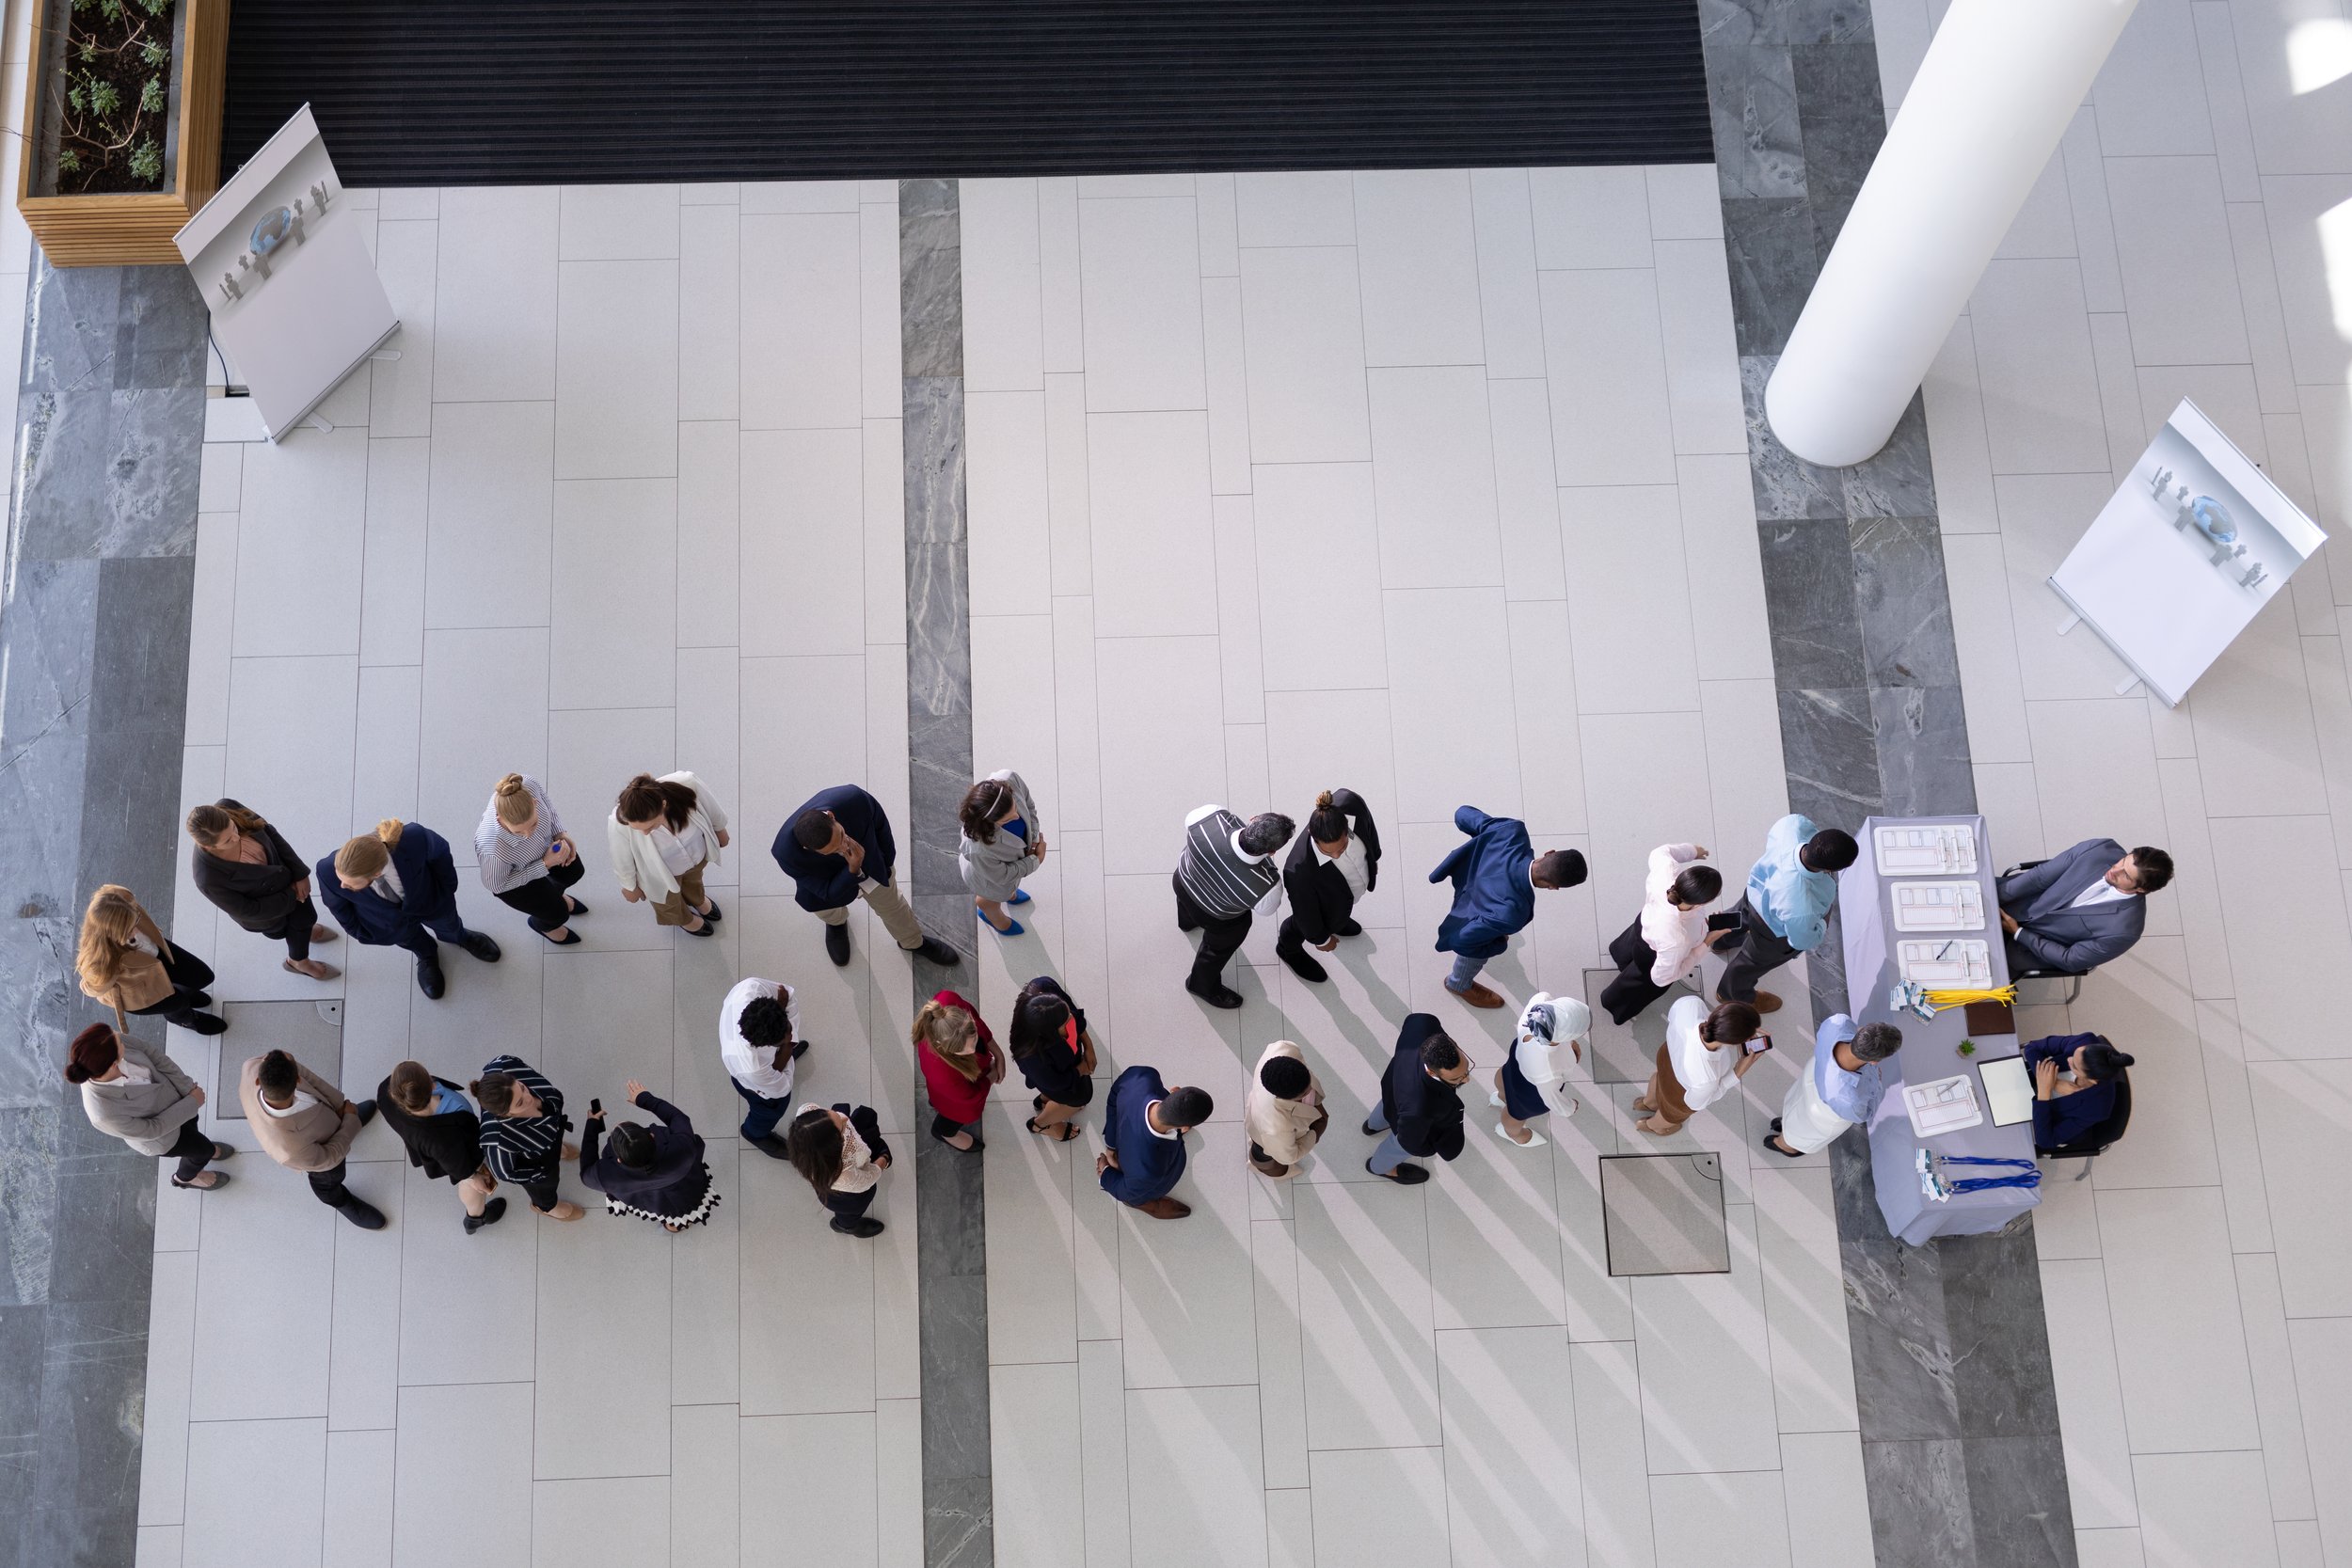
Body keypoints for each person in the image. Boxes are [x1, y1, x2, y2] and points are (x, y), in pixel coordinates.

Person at [774, 784, 961, 967]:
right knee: (827, 910)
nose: (843, 847)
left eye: (841, 836)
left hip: (872, 867)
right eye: (832, 850)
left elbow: (880, 825)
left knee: (894, 908)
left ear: (832, 816)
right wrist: (852, 869)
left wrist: (886, 861)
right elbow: (826, 892)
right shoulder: (785, 853)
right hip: (829, 888)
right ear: (809, 849)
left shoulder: (853, 799)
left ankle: (913, 943)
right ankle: (836, 924)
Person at [318, 820, 501, 1000]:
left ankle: (459, 937)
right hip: (390, 924)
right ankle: (426, 955)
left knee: (448, 924)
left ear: (376, 874)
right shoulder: (327, 870)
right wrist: (358, 931)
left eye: (350, 884)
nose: (342, 885)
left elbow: (440, 853)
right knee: (409, 940)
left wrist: (446, 890)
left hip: (429, 902)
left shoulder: (414, 837)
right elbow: (337, 905)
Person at [1429, 807, 1586, 1008]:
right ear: (1553, 887)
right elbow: (1464, 941)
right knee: (1476, 951)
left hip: (1464, 882)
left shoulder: (1512, 831)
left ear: (1550, 852)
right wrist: (1500, 944)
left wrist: (1482, 843)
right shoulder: (1513, 913)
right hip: (1468, 915)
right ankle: (1458, 983)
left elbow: (1462, 814)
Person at [1715, 816, 1856, 1015]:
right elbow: (1803, 940)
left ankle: (1719, 941)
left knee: (1736, 918)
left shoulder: (1792, 826)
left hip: (1755, 893)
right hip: (1772, 931)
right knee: (1751, 962)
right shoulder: (1801, 907)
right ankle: (1732, 993)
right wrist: (1825, 915)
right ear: (1830, 869)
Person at [186, 800, 339, 980]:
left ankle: (306, 932)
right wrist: (292, 894)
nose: (236, 838)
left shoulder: (229, 806)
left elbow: (271, 833)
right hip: (269, 911)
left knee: (306, 918)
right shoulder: (207, 877)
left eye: (233, 828)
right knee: (295, 925)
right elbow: (248, 910)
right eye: (227, 840)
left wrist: (300, 873)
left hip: (287, 880)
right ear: (208, 847)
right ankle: (298, 962)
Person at [68, 1023, 232, 1190]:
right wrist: (191, 1103)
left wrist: (187, 1089)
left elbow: (153, 1054)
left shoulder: (109, 1041)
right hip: (164, 1137)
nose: (121, 1036)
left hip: (179, 1098)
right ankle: (184, 1178)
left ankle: (204, 1150)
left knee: (194, 1129)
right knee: (202, 1151)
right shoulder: (103, 1113)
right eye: (120, 1043)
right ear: (112, 1064)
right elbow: (152, 1129)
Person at [237, 1049, 385, 1227]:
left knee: (346, 1117)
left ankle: (345, 1118)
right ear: (297, 1080)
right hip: (318, 1155)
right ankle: (341, 1201)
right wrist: (350, 1121)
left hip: (325, 1117)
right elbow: (329, 1158)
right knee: (329, 1180)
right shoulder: (289, 1149)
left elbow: (314, 1081)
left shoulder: (254, 1066)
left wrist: (340, 1106)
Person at [1172, 804, 1295, 1008]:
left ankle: (1186, 923)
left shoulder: (1208, 817)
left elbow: (1189, 819)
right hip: (1218, 918)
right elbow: (1266, 911)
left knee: (1188, 906)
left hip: (1185, 882)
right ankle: (1201, 985)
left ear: (1253, 819)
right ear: (1272, 852)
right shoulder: (1267, 886)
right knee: (1216, 949)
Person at [1997, 841, 2172, 976]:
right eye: (2122, 861)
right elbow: (2039, 877)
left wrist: (2018, 932)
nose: (2115, 869)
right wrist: (1991, 899)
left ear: (2141, 889)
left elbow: (2070, 959)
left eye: (2125, 874)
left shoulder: (2125, 931)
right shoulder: (2100, 849)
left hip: (2025, 946)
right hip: (2016, 896)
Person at [1598, 842, 1724, 1025]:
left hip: (1643, 925)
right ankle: (1614, 1004)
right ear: (1701, 903)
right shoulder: (1679, 937)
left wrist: (1692, 851)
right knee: (1640, 981)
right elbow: (1662, 977)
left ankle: (1619, 955)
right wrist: (1707, 941)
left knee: (1627, 946)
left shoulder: (1666, 872)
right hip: (1653, 954)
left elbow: (1661, 851)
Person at [76, 884, 226, 1036]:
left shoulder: (119, 901)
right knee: (179, 1004)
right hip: (140, 991)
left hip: (154, 953)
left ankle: (179, 991)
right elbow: (89, 987)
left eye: (135, 922)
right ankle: (188, 1020)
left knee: (203, 977)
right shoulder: (99, 962)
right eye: (128, 930)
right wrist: (105, 976)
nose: (135, 931)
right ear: (112, 933)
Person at [376, 1060, 503, 1232]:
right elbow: (460, 1168)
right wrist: (474, 1177)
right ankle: (476, 1217)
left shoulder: (385, 1091)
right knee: (470, 1184)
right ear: (428, 1081)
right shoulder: (438, 1141)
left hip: (443, 1142)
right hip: (461, 1151)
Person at [579, 1079, 720, 1232]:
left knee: (666, 1210)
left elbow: (586, 1170)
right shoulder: (682, 1150)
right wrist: (644, 1098)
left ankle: (672, 1224)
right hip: (681, 1191)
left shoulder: (606, 1177)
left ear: (619, 1159)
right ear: (652, 1136)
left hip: (648, 1199)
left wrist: (592, 1125)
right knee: (682, 1209)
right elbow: (678, 1118)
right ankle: (676, 1225)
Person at [1277, 789, 1381, 984]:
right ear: (1312, 834)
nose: (1336, 856)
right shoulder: (1298, 871)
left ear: (1346, 828)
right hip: (1320, 908)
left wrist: (1374, 856)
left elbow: (1369, 829)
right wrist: (1321, 939)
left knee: (1339, 914)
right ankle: (1287, 949)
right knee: (1299, 925)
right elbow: (1306, 915)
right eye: (1328, 852)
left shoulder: (1351, 802)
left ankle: (1339, 922)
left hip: (1344, 894)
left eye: (1341, 848)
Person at [607, 772, 729, 938]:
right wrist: (629, 886)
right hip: (659, 873)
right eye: (638, 829)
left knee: (694, 880)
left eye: (650, 827)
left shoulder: (688, 784)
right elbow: (621, 858)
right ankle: (684, 919)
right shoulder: (618, 822)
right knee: (667, 902)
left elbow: (712, 808)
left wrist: (720, 829)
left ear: (663, 805)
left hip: (695, 856)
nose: (644, 833)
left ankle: (697, 899)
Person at [1761, 1015, 1901, 1158]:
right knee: (1804, 1130)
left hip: (1815, 1074)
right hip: (1825, 1113)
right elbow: (1865, 1114)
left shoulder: (1838, 1022)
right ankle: (1785, 1145)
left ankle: (1786, 1124)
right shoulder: (1851, 1100)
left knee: (1798, 1103)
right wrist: (1877, 1083)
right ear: (1874, 1061)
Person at [476, 773, 589, 946]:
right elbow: (497, 886)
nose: (528, 835)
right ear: (500, 820)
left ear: (534, 804)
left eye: (533, 824)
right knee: (558, 914)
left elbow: (549, 807)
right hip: (514, 882)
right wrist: (545, 864)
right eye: (518, 832)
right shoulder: (492, 848)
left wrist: (560, 833)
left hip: (546, 851)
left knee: (574, 872)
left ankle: (554, 894)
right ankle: (544, 926)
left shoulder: (528, 784)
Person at [472, 1055, 584, 1221]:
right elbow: (504, 1172)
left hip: (551, 1130)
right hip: (535, 1162)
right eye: (519, 1103)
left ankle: (556, 1148)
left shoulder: (504, 1064)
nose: (528, 1097)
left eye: (522, 1087)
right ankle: (546, 1207)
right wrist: (537, 1175)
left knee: (553, 1144)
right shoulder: (498, 1140)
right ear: (505, 1114)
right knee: (544, 1187)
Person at [1635, 996, 1763, 1135]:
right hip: (1680, 1092)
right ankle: (1652, 1126)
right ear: (1733, 1043)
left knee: (1659, 1078)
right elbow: (1695, 1104)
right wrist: (1738, 1071)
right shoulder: (1707, 1077)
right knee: (1670, 1115)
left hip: (1667, 1058)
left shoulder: (1691, 1004)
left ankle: (1648, 1103)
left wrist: (1737, 1027)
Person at [1365, 1015, 1470, 1182]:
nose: (1466, 1080)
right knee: (1396, 1147)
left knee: (1387, 1106)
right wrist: (1430, 1150)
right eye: (1456, 1079)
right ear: (1431, 1072)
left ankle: (1372, 1126)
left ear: (1453, 1043)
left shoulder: (1421, 1023)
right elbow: (1410, 1143)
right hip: (1408, 1118)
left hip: (1393, 1087)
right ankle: (1379, 1167)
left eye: (1466, 1071)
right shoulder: (1420, 1108)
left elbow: (1411, 1021)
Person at [1098, 1067, 1212, 1218]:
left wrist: (1110, 1146)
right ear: (1184, 1127)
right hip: (1144, 1176)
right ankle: (1142, 1203)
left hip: (1126, 1135)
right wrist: (1106, 1174)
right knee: (1142, 1192)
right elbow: (1126, 1191)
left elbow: (1114, 1097)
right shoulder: (1152, 1170)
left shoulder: (1142, 1076)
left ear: (1175, 1090)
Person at [719, 976, 809, 1158]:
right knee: (773, 1108)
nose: (791, 1034)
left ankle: (785, 1056)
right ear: (765, 1045)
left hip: (765, 1065)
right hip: (753, 1084)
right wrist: (789, 1046)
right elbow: (782, 1088)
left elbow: (787, 995)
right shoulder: (752, 1067)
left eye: (787, 1026)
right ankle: (754, 1133)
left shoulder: (752, 988)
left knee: (783, 1056)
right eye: (785, 1038)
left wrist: (786, 1044)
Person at [1492, 992, 1589, 1149]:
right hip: (1531, 1093)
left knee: (1504, 1075)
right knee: (1516, 1114)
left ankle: (1501, 1096)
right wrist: (1570, 1107)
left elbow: (1544, 995)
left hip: (1516, 1065)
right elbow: (1552, 1099)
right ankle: (1513, 1134)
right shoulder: (1548, 1071)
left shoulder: (1536, 1010)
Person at [1007, 975, 1096, 1141]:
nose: (1071, 1020)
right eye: (1065, 1023)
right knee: (1079, 1098)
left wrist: (1089, 1046)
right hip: (1061, 1079)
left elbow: (1076, 1017)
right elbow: (1054, 1082)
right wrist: (1079, 1070)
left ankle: (1044, 1100)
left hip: (1065, 1067)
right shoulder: (1031, 1056)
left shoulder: (1044, 986)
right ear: (1047, 1034)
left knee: (1074, 1095)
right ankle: (1039, 1125)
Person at [915, 990, 1005, 1152]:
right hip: (954, 1096)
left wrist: (998, 1054)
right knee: (953, 1114)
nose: (973, 1049)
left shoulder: (948, 1003)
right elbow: (971, 1097)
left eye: (975, 1038)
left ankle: (935, 1103)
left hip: (948, 1088)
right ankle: (944, 1133)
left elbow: (979, 1024)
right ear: (944, 1048)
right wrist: (992, 1075)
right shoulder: (943, 1074)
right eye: (966, 1050)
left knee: (939, 1098)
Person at [787, 1102, 893, 1238]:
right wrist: (884, 1158)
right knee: (850, 1212)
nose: (845, 1119)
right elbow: (870, 1177)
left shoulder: (806, 1115)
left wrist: (837, 1122)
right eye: (842, 1127)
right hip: (847, 1198)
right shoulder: (844, 1176)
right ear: (833, 1147)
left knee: (864, 1117)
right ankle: (846, 1226)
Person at [960, 769, 1045, 936]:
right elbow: (1001, 875)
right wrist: (1037, 859)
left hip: (1006, 867)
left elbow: (1029, 805)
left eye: (1014, 806)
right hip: (989, 879)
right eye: (1006, 820)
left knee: (1006, 889)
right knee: (989, 899)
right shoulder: (979, 849)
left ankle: (1009, 894)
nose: (1016, 816)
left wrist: (1033, 840)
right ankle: (993, 917)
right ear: (987, 822)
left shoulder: (1008, 778)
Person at [2023, 1033, 2134, 1148]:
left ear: (2092, 1080)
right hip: (2025, 1081)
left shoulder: (2097, 1108)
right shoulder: (2085, 1041)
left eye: (2074, 1066)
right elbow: (2032, 1047)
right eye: (2074, 1055)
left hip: (2037, 1118)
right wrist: (2055, 1083)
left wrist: (2044, 1091)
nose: (2069, 1059)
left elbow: (2046, 1140)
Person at [1244, 1040, 1327, 1178]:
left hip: (1257, 1111)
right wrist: (1316, 1132)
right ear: (1285, 1098)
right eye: (1305, 1093)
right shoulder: (1276, 1128)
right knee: (1268, 1160)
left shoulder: (1283, 1048)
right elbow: (1288, 1158)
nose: (1311, 1090)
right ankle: (1265, 1168)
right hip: (1265, 1136)